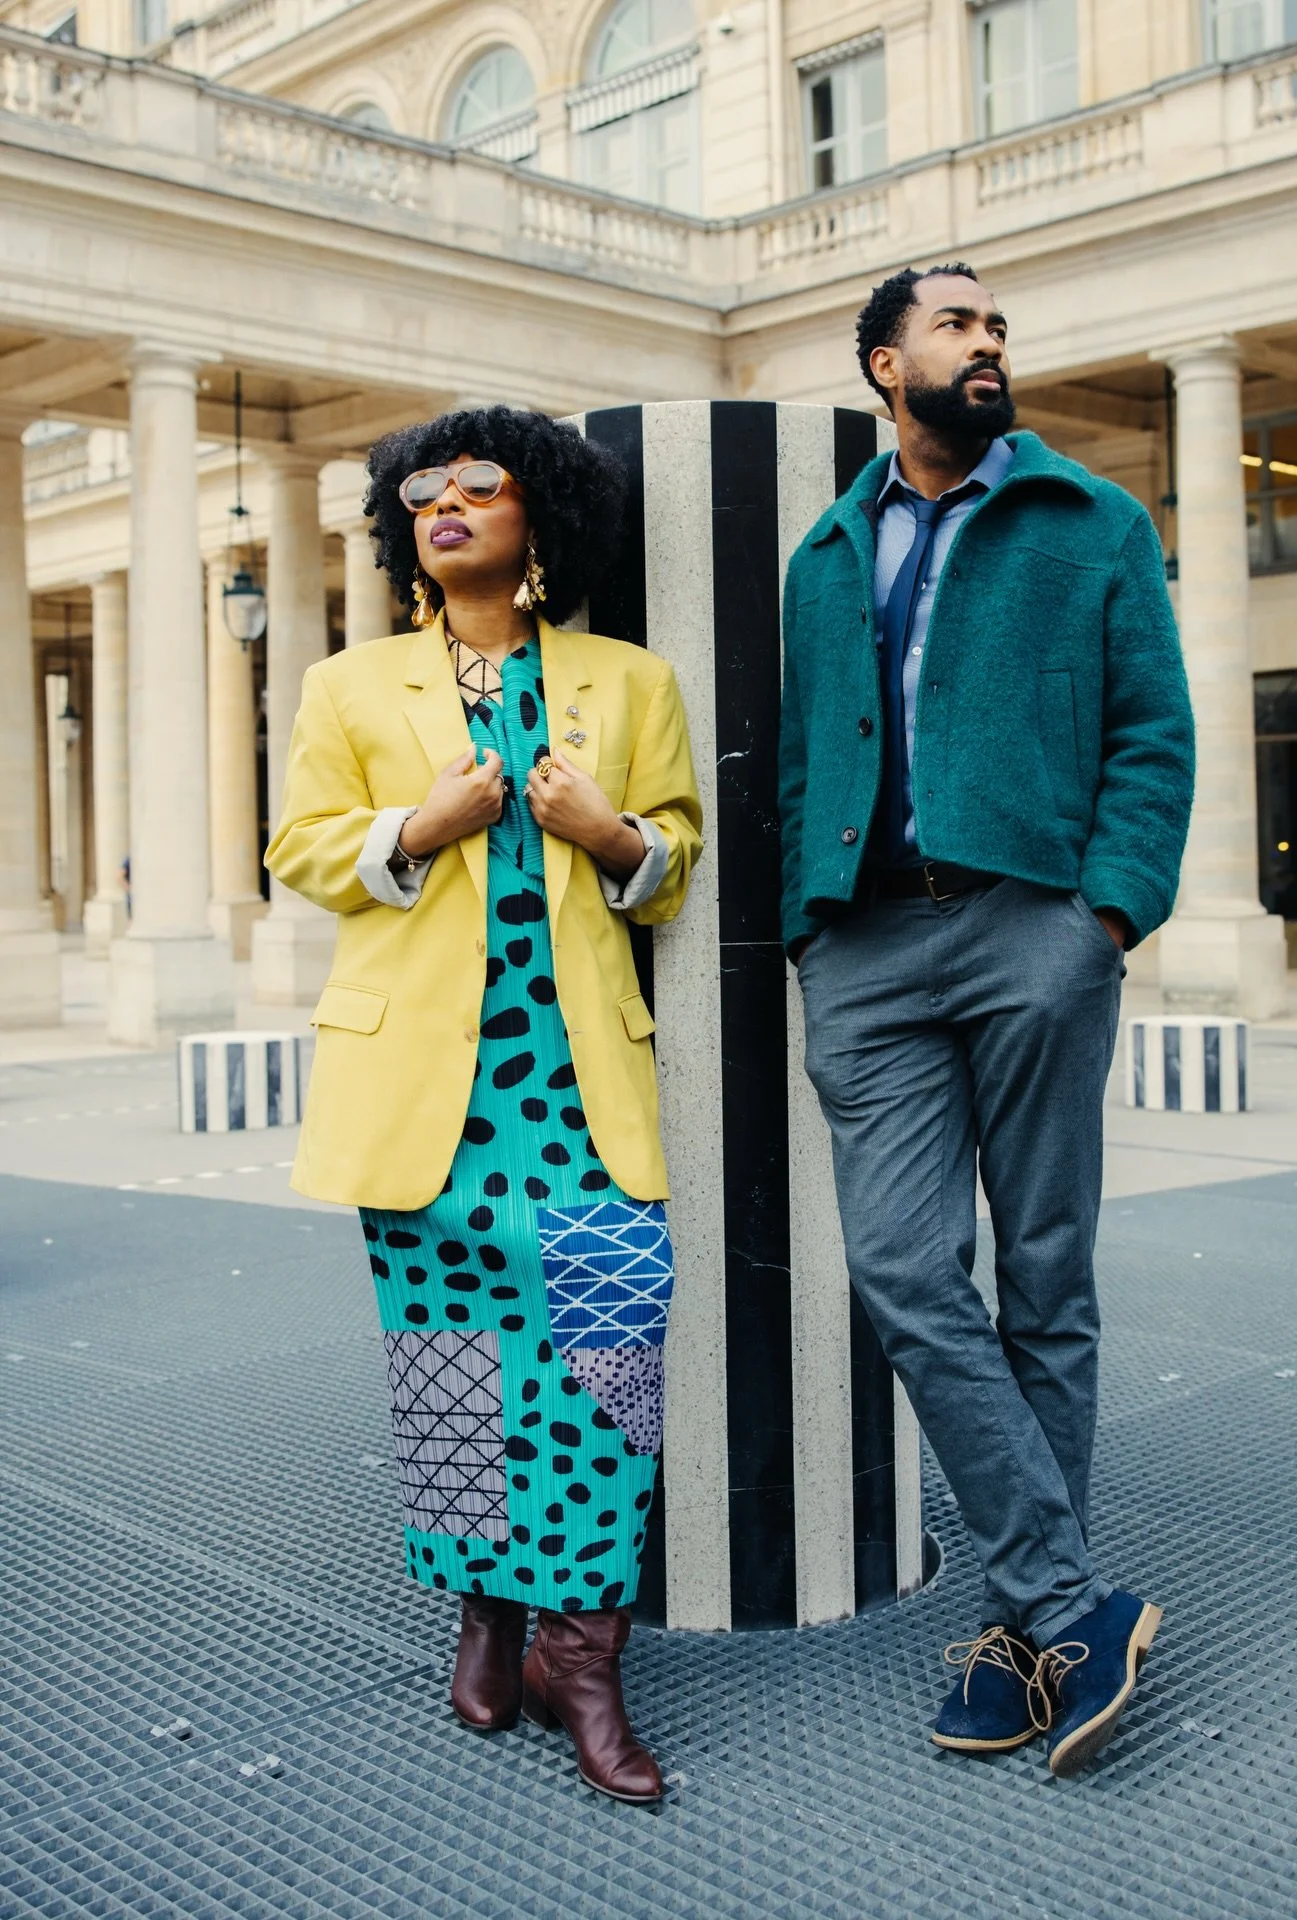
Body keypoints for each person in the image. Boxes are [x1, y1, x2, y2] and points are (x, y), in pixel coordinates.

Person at [779, 264, 1195, 1776]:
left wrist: (1104, 919)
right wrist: (810, 932)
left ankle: (1027, 1641)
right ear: (886, 363)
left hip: (1035, 926)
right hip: (870, 949)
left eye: (999, 326)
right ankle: (1071, 1603)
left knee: (1043, 1274)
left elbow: (1156, 729)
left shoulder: (1093, 524)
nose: (989, 343)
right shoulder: (826, 554)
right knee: (900, 1264)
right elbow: (804, 758)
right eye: (957, 325)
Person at [267, 406, 702, 1805]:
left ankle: (585, 1657)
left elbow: (680, 849)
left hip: (576, 1087)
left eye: (477, 485)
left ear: (541, 519)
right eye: (421, 492)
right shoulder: (349, 686)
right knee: (451, 1370)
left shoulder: (627, 682)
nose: (440, 505)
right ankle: (488, 1618)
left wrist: (614, 836)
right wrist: (415, 827)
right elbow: (300, 848)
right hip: (426, 1091)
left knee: (606, 1362)